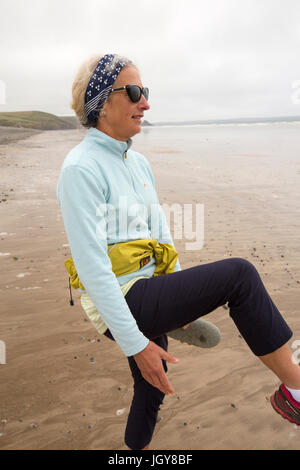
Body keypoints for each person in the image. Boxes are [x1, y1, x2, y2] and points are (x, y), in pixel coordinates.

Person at [57, 53, 300, 450]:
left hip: (151, 288)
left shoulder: (137, 164)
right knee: (239, 276)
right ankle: (296, 390)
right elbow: (93, 270)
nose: (146, 103)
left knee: (152, 390)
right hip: (120, 297)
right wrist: (135, 344)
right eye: (134, 92)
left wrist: (181, 298)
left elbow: (162, 234)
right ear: (101, 101)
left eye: (145, 92)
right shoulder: (80, 169)